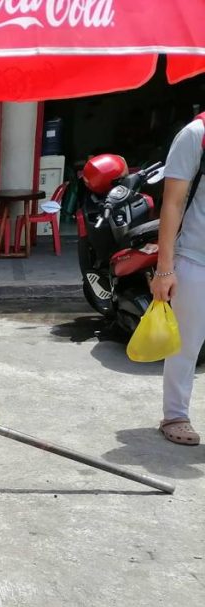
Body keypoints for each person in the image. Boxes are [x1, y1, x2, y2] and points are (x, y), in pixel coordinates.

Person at [150, 113, 205, 446]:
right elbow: (172, 203)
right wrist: (165, 268)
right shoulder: (195, 135)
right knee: (185, 346)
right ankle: (175, 414)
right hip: (195, 259)